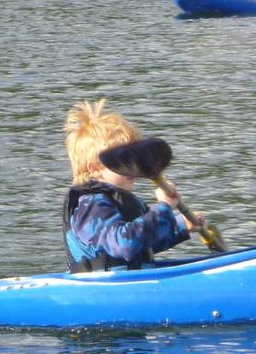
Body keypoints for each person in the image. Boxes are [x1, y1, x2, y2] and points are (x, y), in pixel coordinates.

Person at [62, 99, 204, 273]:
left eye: (131, 160)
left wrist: (180, 226)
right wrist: (164, 207)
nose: (132, 167)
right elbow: (125, 245)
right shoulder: (90, 206)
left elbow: (145, 242)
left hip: (131, 283)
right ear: (95, 170)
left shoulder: (126, 201)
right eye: (120, 163)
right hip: (103, 289)